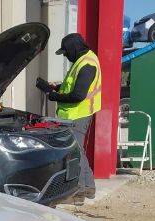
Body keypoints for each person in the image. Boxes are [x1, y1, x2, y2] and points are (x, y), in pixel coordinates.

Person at [36, 33, 101, 200]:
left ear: (73, 48)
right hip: (72, 114)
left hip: (78, 114)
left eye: (66, 52)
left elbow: (78, 95)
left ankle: (80, 190)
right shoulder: (81, 60)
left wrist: (54, 96)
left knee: (76, 153)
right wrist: (55, 88)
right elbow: (71, 87)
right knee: (79, 151)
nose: (65, 55)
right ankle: (88, 187)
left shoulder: (87, 64)